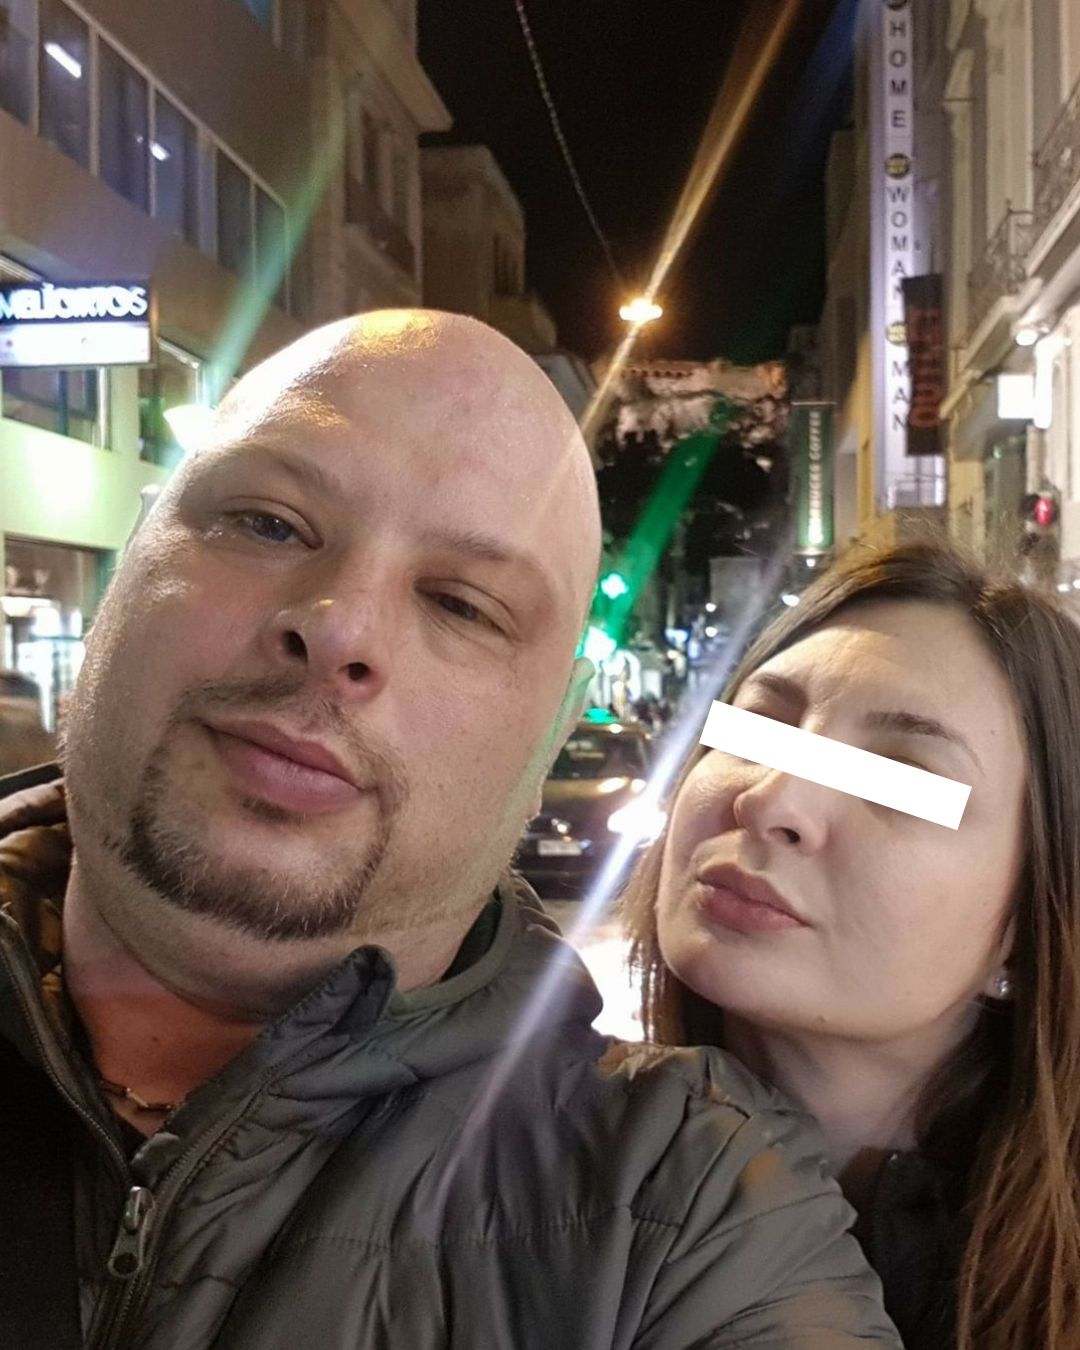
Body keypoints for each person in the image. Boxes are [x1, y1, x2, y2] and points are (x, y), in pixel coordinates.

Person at [0, 310, 899, 1350]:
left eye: (463, 605)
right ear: (129, 562)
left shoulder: (688, 1211)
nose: (340, 629)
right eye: (269, 524)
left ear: (553, 733)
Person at [624, 539, 1080, 1350]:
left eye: (900, 777)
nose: (771, 800)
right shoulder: (529, 1180)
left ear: (1026, 928)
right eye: (759, 731)